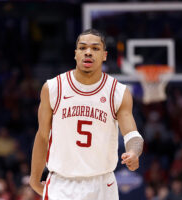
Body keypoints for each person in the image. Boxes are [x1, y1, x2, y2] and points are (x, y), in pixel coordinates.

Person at [29, 29, 144, 200]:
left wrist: (134, 152)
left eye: (95, 48)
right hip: (62, 183)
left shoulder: (118, 92)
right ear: (75, 54)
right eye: (82, 48)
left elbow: (132, 135)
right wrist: (34, 178)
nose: (88, 52)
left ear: (104, 55)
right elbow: (43, 136)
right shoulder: (53, 88)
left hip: (102, 184)